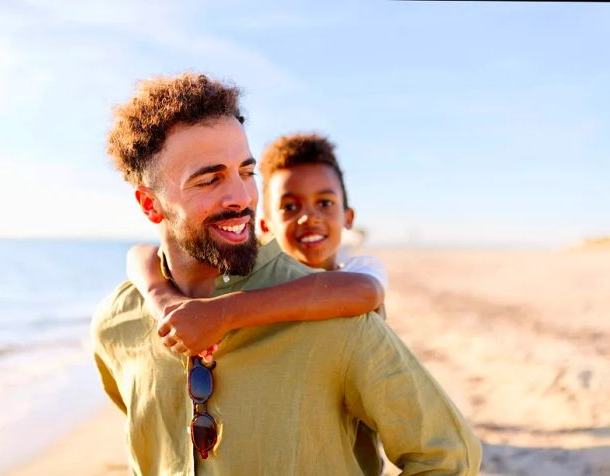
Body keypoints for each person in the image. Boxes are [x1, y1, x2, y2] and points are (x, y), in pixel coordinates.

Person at [91, 72, 482, 475]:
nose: (242, 198)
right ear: (150, 205)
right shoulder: (115, 325)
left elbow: (447, 456)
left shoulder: (333, 318)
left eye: (246, 172)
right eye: (209, 179)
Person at [125, 132, 388, 360]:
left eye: (325, 203)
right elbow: (140, 254)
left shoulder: (358, 268)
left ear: (349, 217)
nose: (309, 217)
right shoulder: (254, 266)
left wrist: (222, 314)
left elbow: (366, 290)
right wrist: (161, 297)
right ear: (263, 225)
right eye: (289, 207)